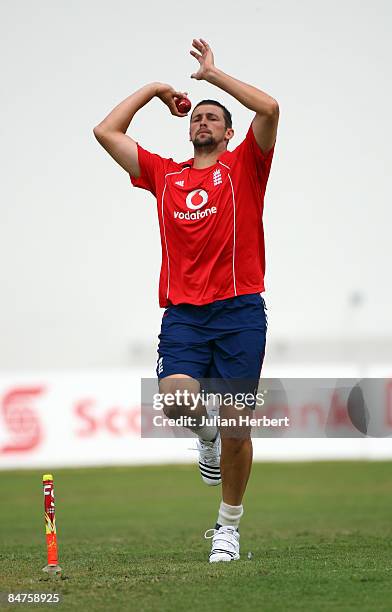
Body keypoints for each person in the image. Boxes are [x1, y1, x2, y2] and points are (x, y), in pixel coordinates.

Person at [94, 38, 279, 562]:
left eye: (213, 119)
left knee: (240, 427)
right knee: (176, 397)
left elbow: (270, 108)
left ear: (228, 131)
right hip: (184, 315)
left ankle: (228, 528)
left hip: (241, 310)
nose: (203, 122)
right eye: (197, 117)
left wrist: (212, 78)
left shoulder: (246, 167)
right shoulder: (165, 175)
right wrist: (155, 90)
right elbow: (105, 132)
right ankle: (205, 434)